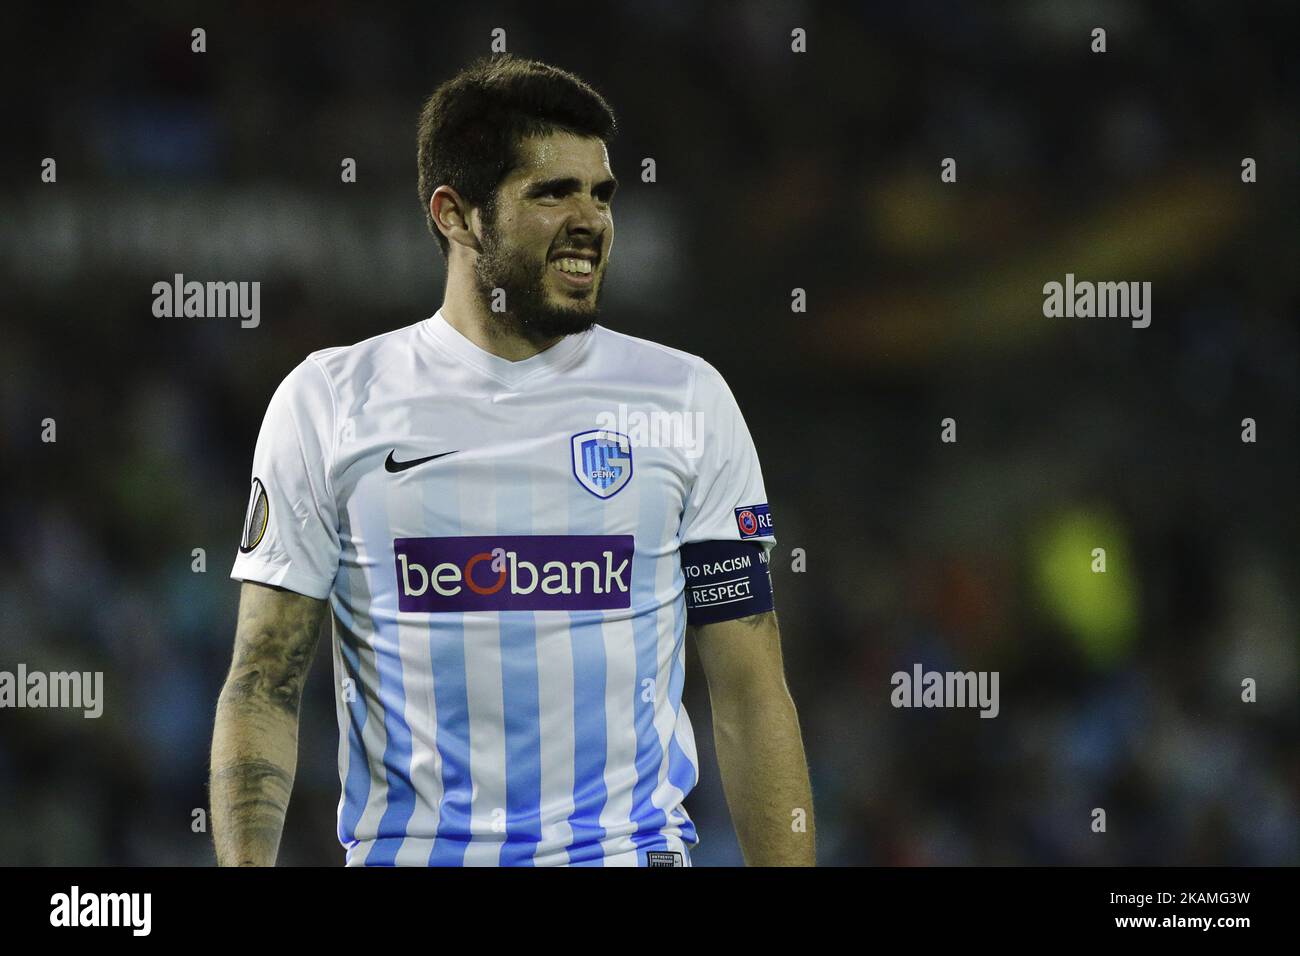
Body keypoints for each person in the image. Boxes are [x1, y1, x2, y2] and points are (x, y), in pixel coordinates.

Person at [210, 54, 814, 867]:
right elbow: (264, 682)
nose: (591, 219)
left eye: (601, 193)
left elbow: (748, 687)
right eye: (552, 192)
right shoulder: (330, 403)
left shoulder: (684, 401)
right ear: (456, 215)